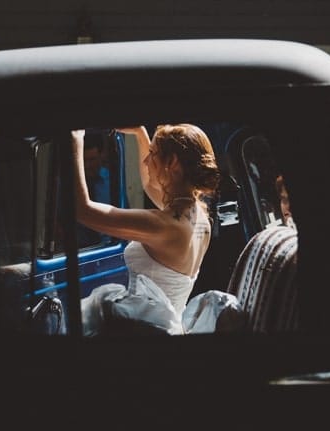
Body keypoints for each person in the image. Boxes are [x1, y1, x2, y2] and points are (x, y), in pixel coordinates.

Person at [71, 124, 220, 317]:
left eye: (153, 153)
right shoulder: (198, 217)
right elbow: (149, 185)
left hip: (148, 329)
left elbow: (84, 211)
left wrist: (74, 139)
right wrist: (139, 133)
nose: (147, 161)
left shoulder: (164, 226)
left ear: (173, 162)